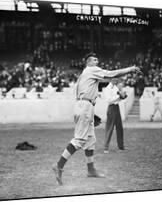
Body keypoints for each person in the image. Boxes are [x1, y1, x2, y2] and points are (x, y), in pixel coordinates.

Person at [52, 52, 141, 185]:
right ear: (88, 62)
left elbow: (81, 94)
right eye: (94, 60)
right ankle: (59, 165)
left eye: (97, 60)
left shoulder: (83, 75)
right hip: (85, 106)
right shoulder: (91, 70)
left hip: (83, 105)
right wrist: (130, 69)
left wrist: (89, 111)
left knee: (90, 139)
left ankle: (91, 170)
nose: (97, 62)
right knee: (79, 139)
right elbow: (111, 74)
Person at [103, 79, 127, 154]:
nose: (116, 80)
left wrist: (122, 96)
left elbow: (118, 99)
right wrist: (119, 96)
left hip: (117, 107)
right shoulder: (107, 89)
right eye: (115, 79)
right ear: (111, 80)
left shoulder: (116, 87)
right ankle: (106, 147)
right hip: (111, 108)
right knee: (109, 128)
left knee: (119, 127)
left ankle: (121, 146)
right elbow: (109, 100)